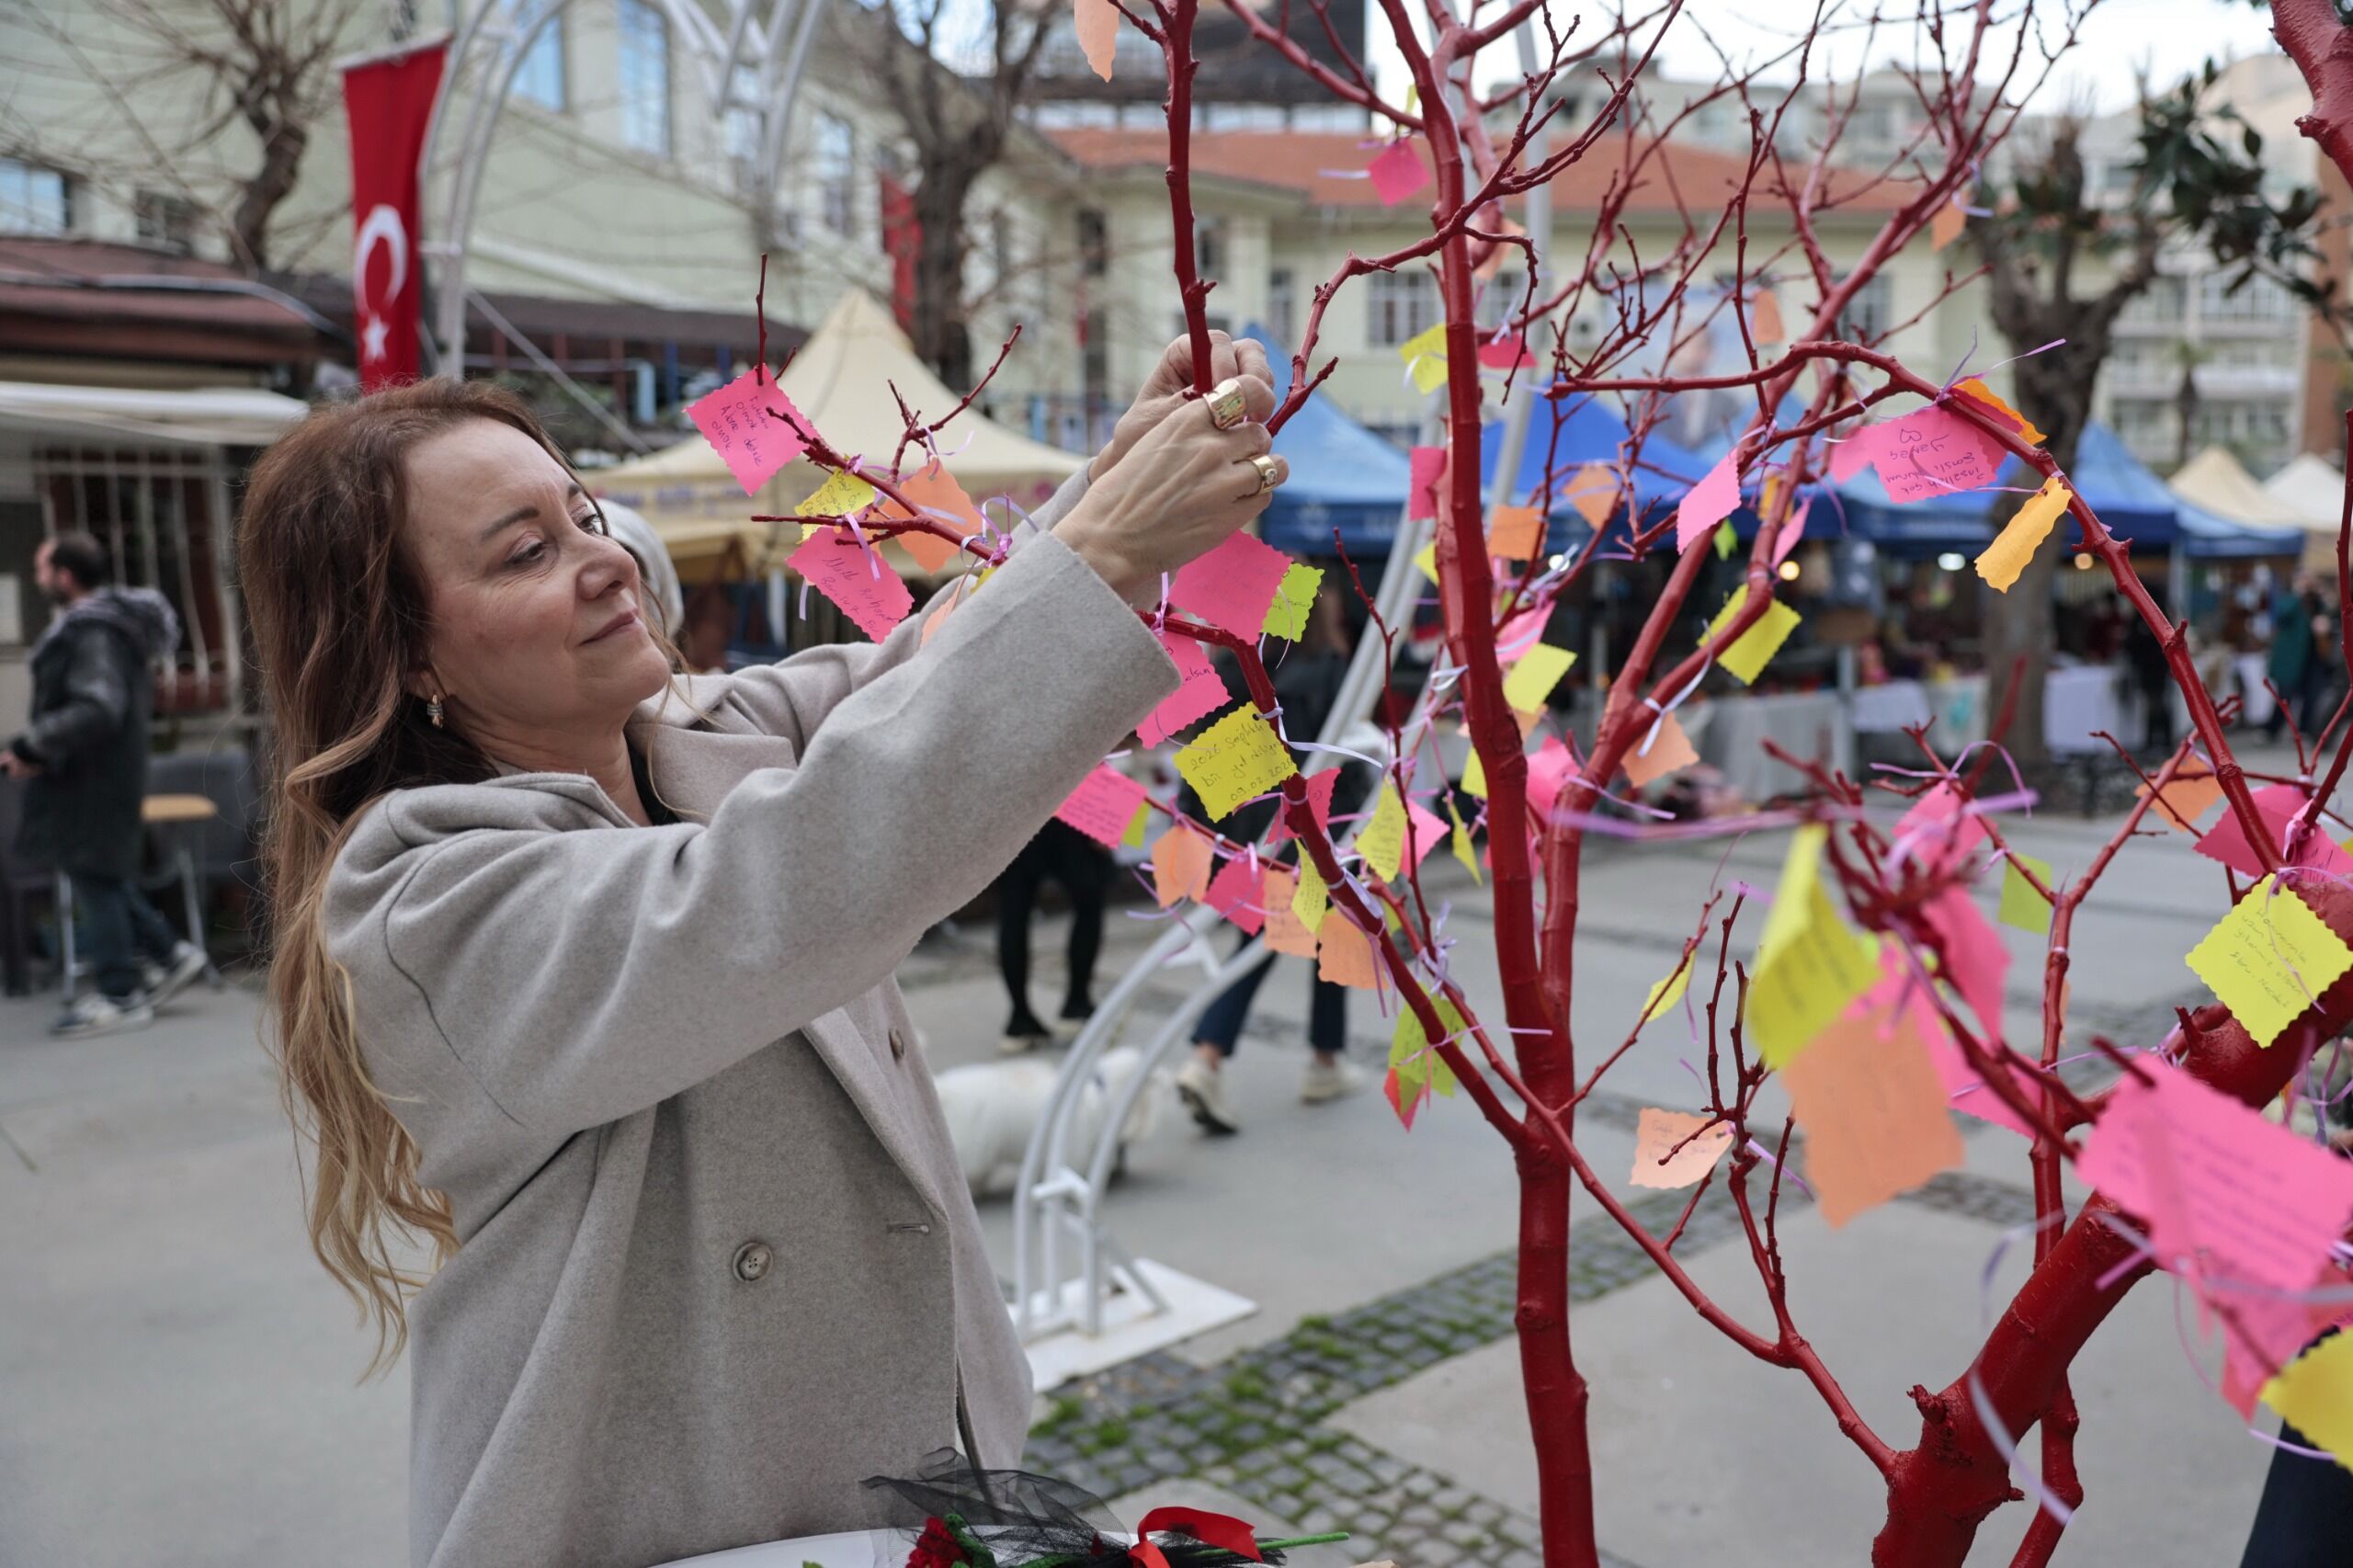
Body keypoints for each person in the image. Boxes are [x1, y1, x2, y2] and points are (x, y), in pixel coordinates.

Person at [236, 334, 1286, 1568]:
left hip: (894, 1487)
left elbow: (928, 667)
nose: (606, 561)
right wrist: (1107, 553)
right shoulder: (421, 897)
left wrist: (1108, 488)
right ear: (407, 653)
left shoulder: (706, 734)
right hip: (653, 1529)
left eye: (586, 515)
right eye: (528, 551)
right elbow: (781, 887)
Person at [1172, 579, 1368, 1132]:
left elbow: (1205, 754)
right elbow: (1350, 754)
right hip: (1325, 828)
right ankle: (1215, 1058)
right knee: (1311, 935)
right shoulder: (1331, 678)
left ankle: (1317, 1058)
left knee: (1301, 934)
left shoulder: (1241, 676)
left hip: (1260, 830)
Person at [0, 532, 206, 1037]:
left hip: (91, 779)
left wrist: (32, 746)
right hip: (95, 774)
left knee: (94, 877)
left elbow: (97, 706)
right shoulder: (100, 627)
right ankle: (170, 952)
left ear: (65, 577)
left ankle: (121, 995)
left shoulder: (91, 631)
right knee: (101, 875)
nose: (38, 576)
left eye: (43, 568)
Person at [994, 816, 1112, 1053]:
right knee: (1089, 903)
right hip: (1070, 808)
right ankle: (1077, 1004)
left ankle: (1020, 1018)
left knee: (1013, 914)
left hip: (1013, 814)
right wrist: (1107, 821)